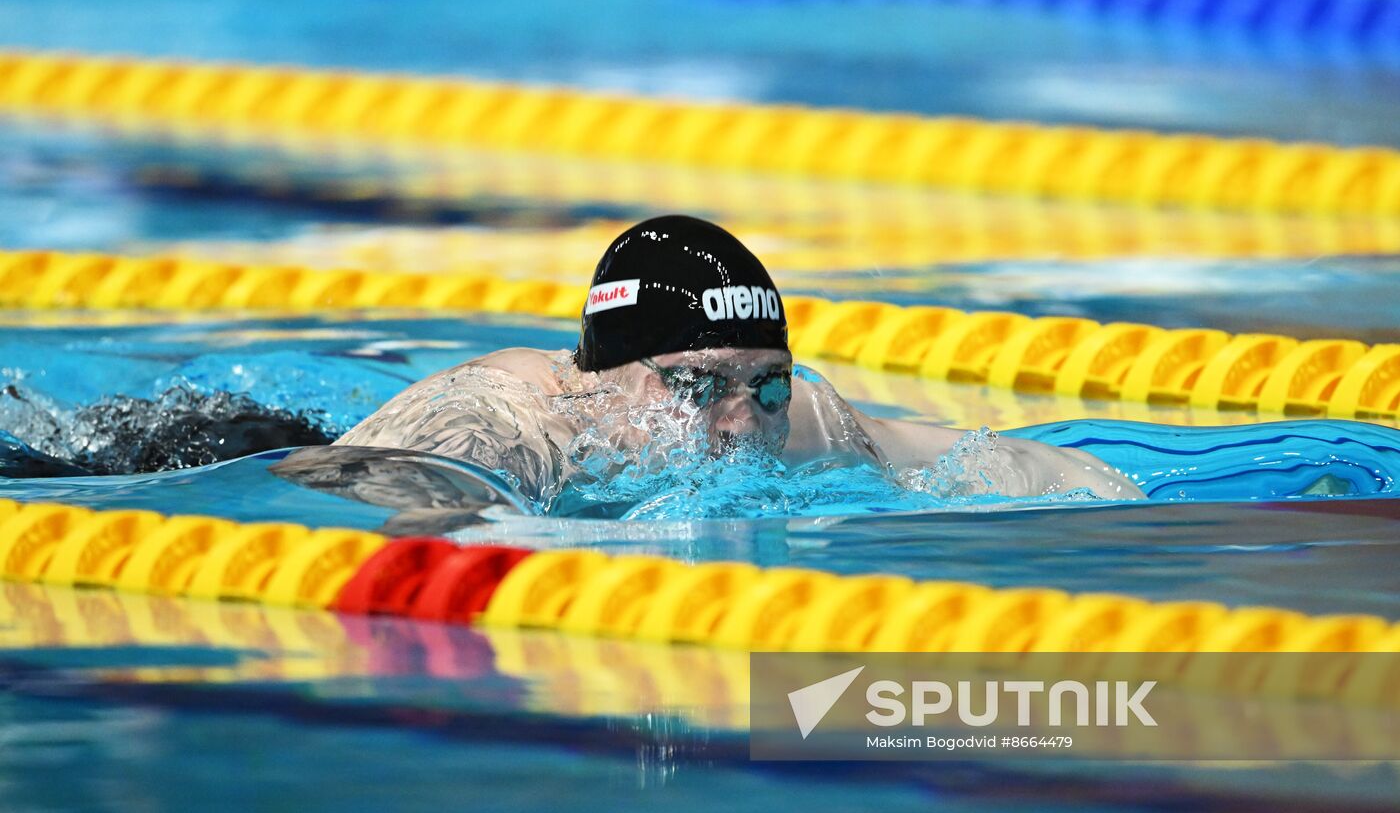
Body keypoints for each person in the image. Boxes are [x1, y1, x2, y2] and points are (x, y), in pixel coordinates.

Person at [335, 215, 1144, 510]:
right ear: (603, 374)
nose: (739, 426)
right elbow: (422, 508)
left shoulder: (804, 422)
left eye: (767, 384)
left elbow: (1007, 463)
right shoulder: (511, 414)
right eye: (694, 385)